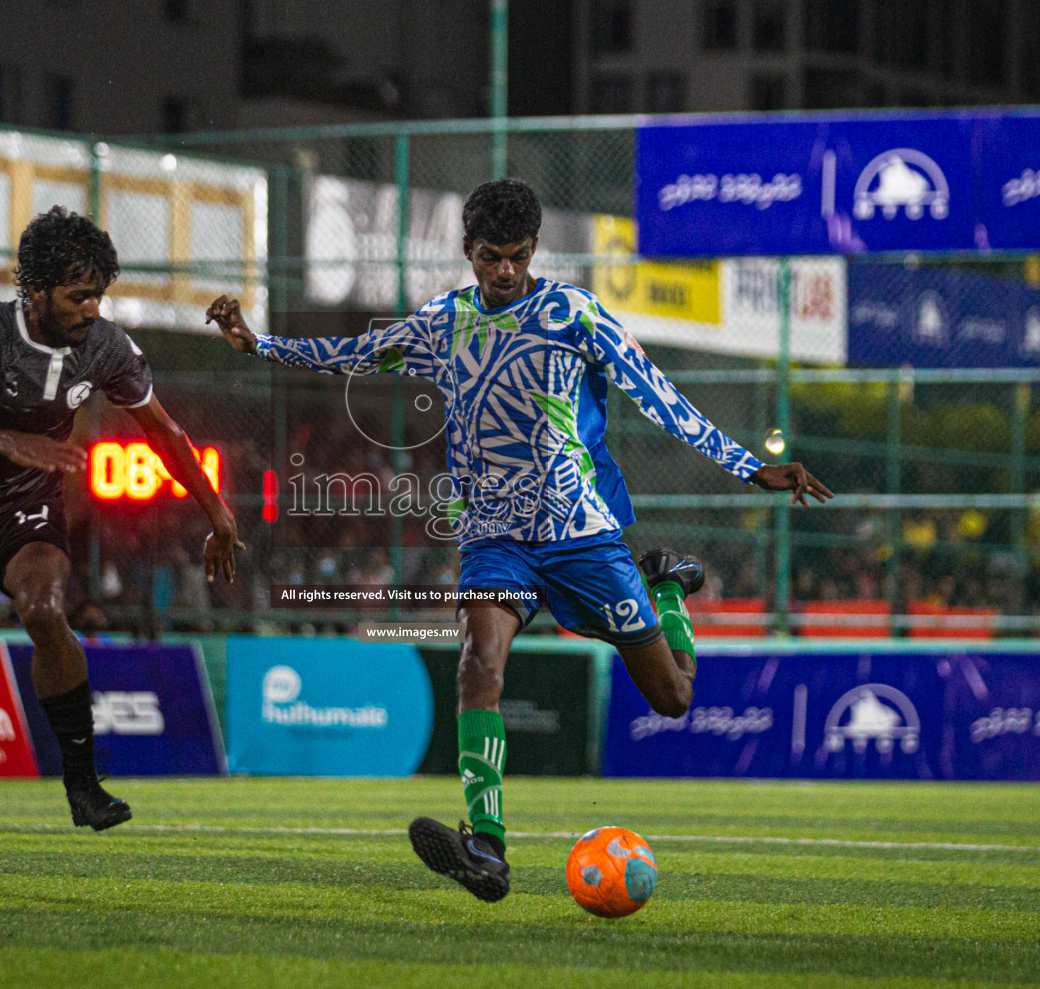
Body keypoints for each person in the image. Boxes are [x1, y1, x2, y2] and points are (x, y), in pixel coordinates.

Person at [209, 178, 831, 901]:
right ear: (467, 251)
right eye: (487, 256)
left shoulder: (572, 313)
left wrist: (750, 467)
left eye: (515, 255)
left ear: (533, 249)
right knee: (479, 659)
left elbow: (656, 393)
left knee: (672, 697)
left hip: (581, 536)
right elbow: (358, 353)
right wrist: (258, 343)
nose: (502, 269)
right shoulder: (443, 322)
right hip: (493, 538)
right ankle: (487, 846)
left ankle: (664, 590)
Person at [0, 206, 241, 875]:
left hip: (26, 507)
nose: (90, 308)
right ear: (33, 289)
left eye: (97, 294)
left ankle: (82, 786)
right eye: (76, 294)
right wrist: (8, 440)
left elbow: (165, 434)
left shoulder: (106, 346)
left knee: (46, 606)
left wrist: (219, 514)